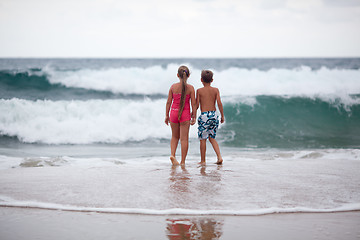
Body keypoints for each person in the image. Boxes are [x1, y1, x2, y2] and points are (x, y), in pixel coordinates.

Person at [165, 66, 196, 165]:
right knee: (184, 139)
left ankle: (173, 155)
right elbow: (194, 104)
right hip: (185, 114)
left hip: (173, 113)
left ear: (177, 75)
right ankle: (182, 162)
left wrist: (166, 115)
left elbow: (168, 102)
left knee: (174, 137)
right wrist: (194, 116)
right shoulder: (190, 88)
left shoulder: (173, 87)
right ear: (188, 75)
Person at [196, 70, 224, 165]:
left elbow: (196, 105)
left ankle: (203, 161)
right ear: (212, 80)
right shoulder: (216, 90)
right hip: (214, 115)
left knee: (203, 139)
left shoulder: (199, 91)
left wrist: (192, 114)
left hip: (204, 116)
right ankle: (219, 157)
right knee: (212, 137)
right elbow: (219, 103)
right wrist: (222, 116)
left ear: (201, 80)